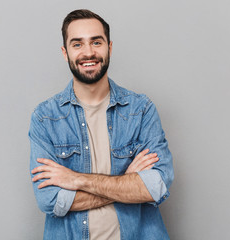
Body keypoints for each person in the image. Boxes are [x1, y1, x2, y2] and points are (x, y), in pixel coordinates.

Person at [29, 9, 174, 240]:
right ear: (65, 53)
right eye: (77, 44)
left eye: (96, 42)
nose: (88, 52)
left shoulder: (141, 109)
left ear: (110, 47)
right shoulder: (45, 118)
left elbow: (155, 186)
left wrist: (77, 180)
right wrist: (127, 181)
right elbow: (50, 200)